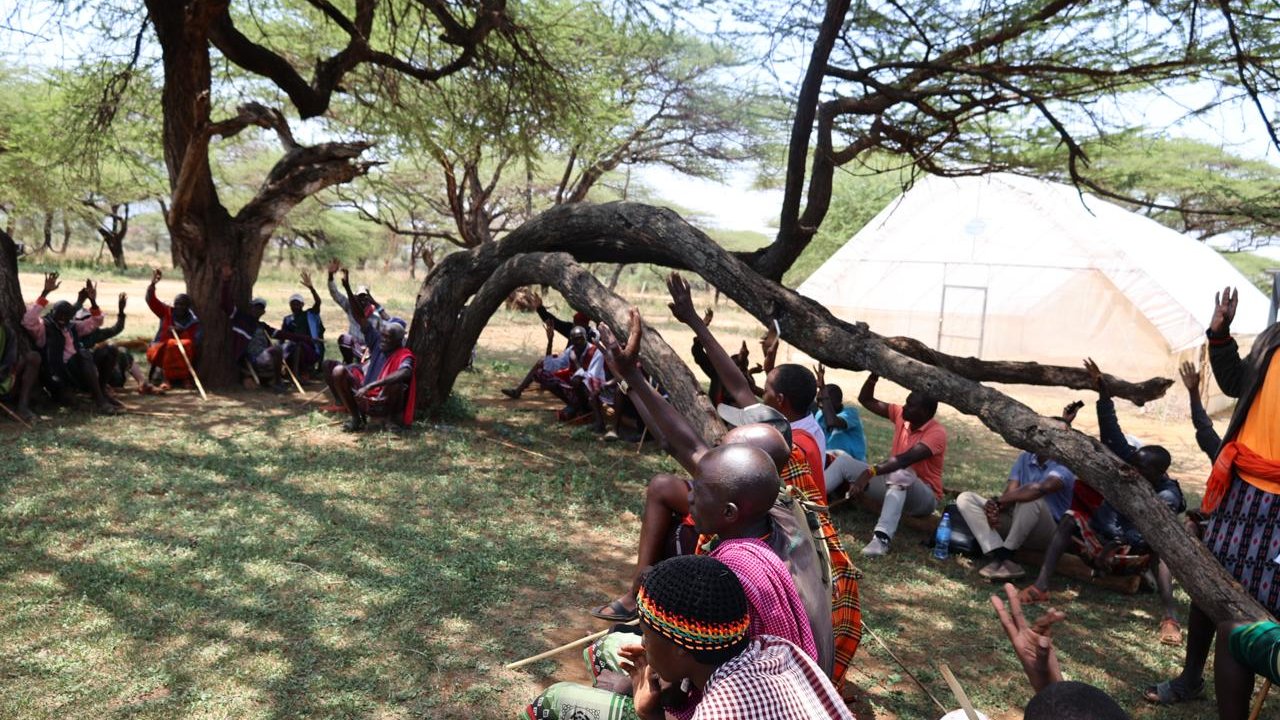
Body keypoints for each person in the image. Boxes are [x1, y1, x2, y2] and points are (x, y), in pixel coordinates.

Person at [590, 312, 862, 686]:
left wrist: (652, 687)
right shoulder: (782, 504)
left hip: (756, 693)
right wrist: (632, 378)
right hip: (803, 678)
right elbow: (682, 443)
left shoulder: (735, 574)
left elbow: (709, 673)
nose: (692, 485)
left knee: (612, 672)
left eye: (703, 483)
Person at [526, 445, 822, 720]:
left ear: (730, 512)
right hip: (723, 674)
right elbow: (709, 654)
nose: (689, 496)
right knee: (608, 647)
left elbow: (701, 662)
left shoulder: (732, 575)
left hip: (709, 689)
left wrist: (650, 704)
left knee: (554, 702)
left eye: (699, 490)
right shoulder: (759, 552)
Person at [1145, 287, 1280, 718]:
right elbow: (1236, 382)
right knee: (1211, 589)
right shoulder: (1273, 338)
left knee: (1252, 616)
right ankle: (1189, 679)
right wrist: (1219, 335)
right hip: (1241, 488)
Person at [1020, 360, 1184, 645]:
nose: (1131, 470)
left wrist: (1111, 545)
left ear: (1158, 475)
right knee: (1071, 516)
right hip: (1103, 544)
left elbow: (1144, 537)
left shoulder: (1167, 497)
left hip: (1134, 552)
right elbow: (1113, 436)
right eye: (1131, 465)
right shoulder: (1135, 467)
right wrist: (1103, 392)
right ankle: (1041, 586)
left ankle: (1170, 618)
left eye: (1139, 469)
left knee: (1162, 548)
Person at [621, 555, 852, 720]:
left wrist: (648, 714)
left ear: (680, 648)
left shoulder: (719, 712)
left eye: (647, 636)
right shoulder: (779, 648)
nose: (643, 643)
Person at [666, 273, 826, 495]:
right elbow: (739, 387)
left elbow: (741, 390)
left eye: (766, 390)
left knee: (665, 488)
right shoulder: (804, 425)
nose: (761, 394)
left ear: (780, 400)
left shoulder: (789, 444)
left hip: (785, 522)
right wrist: (694, 320)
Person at [956, 419, 1076, 581]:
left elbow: (1040, 489)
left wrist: (999, 501)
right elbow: (1010, 493)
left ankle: (1004, 556)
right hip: (1017, 524)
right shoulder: (1025, 457)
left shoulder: (1065, 466)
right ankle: (1001, 555)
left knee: (1032, 499)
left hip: (1047, 533)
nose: (1043, 437)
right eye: (1042, 431)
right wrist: (995, 508)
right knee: (966, 498)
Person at [847, 373, 947, 557]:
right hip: (893, 486)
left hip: (924, 498)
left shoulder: (937, 433)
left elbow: (903, 460)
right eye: (906, 402)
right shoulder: (903, 415)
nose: (904, 407)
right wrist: (874, 375)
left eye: (910, 404)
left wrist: (870, 472)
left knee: (901, 473)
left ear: (924, 413)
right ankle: (813, 507)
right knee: (843, 461)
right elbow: (866, 399)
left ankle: (881, 539)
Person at [22, 273, 120, 414]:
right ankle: (100, 401)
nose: (62, 319)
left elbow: (96, 321)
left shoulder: (72, 326)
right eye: (59, 315)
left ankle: (100, 391)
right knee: (84, 354)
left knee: (109, 350)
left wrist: (93, 301)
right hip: (57, 374)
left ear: (70, 317)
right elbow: (28, 321)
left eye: (66, 316)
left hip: (79, 370)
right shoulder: (44, 327)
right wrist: (45, 292)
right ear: (52, 313)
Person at [326, 322, 416, 432]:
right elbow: (361, 319)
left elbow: (406, 372)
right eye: (382, 335)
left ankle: (391, 422)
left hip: (384, 398)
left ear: (398, 341)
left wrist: (372, 385)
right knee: (338, 371)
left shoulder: (404, 354)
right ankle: (355, 418)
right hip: (364, 394)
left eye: (387, 337)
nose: (382, 340)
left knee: (397, 383)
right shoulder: (378, 345)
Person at [502, 295, 595, 399]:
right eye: (574, 323)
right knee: (542, 363)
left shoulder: (592, 338)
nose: (573, 326)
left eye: (576, 323)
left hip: (578, 371)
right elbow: (554, 322)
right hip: (565, 363)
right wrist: (540, 309)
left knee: (549, 372)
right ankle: (518, 391)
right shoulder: (571, 330)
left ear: (584, 325)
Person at [219, 266, 285, 387]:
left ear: (263, 312)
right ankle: (277, 382)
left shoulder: (262, 326)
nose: (257, 310)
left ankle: (277, 380)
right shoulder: (240, 318)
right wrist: (226, 281)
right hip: (252, 358)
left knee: (283, 347)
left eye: (260, 308)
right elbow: (225, 304)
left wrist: (308, 338)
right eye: (256, 307)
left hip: (265, 356)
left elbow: (283, 334)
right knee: (277, 349)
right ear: (251, 308)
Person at [75, 292, 153, 395]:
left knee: (121, 351)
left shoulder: (96, 333)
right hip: (86, 372)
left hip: (105, 370)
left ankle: (142, 382)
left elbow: (117, 328)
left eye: (88, 320)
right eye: (83, 321)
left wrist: (121, 311)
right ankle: (101, 388)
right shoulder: (72, 335)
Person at [815, 365, 868, 497]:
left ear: (839, 402)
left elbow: (832, 422)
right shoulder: (819, 414)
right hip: (830, 464)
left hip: (852, 468)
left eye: (825, 401)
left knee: (837, 455)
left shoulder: (851, 413)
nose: (821, 405)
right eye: (819, 401)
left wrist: (823, 390)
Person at [145, 268, 202, 387]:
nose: (179, 307)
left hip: (182, 355)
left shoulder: (193, 322)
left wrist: (182, 331)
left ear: (188, 307)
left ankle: (185, 378)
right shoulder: (166, 312)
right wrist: (152, 285)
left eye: (182, 305)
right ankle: (166, 379)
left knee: (185, 345)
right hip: (160, 350)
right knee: (170, 344)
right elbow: (151, 301)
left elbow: (195, 341)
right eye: (177, 304)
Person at [326, 260, 386, 363]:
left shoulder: (375, 316)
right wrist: (330, 275)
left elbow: (381, 335)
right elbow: (335, 294)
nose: (362, 300)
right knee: (345, 339)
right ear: (355, 298)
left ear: (369, 299)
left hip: (369, 349)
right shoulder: (350, 307)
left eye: (365, 297)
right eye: (359, 297)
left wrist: (368, 349)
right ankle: (349, 362)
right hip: (353, 345)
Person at [280, 271, 325, 378]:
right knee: (293, 347)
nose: (295, 306)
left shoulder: (310, 314)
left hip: (311, 350)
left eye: (297, 303)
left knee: (299, 346)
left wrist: (311, 288)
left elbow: (318, 302)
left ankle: (297, 375)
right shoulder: (288, 319)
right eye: (293, 303)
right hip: (292, 349)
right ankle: (294, 372)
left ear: (302, 304)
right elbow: (282, 337)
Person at [0, 320, 40, 422]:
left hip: (4, 378)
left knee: (33, 357)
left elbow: (10, 361)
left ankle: (22, 407)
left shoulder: (7, 332)